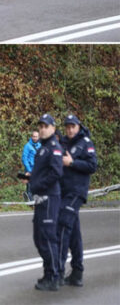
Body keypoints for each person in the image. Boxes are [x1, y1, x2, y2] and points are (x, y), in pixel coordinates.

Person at [57, 114, 97, 287]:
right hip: (63, 192)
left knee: (63, 225)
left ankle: (57, 272)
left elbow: (92, 166)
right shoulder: (63, 143)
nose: (70, 129)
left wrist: (72, 163)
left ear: (78, 127)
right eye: (67, 127)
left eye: (73, 126)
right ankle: (77, 273)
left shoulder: (85, 143)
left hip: (76, 192)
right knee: (74, 233)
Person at [28, 113, 63, 291]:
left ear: (53, 128)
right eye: (40, 126)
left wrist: (38, 184)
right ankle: (48, 273)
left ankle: (54, 276)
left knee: (48, 237)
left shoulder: (54, 147)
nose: (42, 129)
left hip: (49, 198)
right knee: (39, 238)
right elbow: (42, 172)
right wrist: (30, 178)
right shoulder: (43, 148)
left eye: (45, 126)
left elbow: (56, 173)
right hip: (40, 198)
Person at [22, 130, 42, 201]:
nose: (35, 138)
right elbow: (24, 159)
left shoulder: (40, 145)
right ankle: (30, 201)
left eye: (36, 137)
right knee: (30, 186)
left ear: (38, 137)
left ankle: (35, 200)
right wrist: (29, 170)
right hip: (29, 169)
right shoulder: (27, 146)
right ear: (31, 137)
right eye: (34, 136)